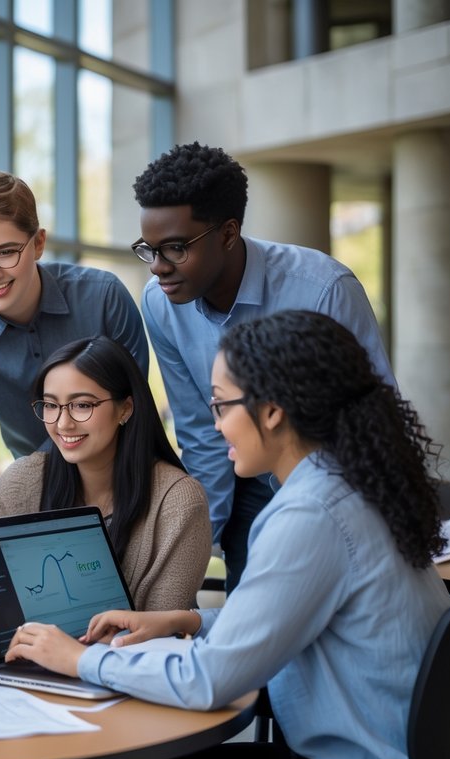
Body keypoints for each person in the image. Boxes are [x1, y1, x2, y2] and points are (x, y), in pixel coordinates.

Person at [5, 310, 450, 759]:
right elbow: (282, 618)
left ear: (273, 411)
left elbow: (210, 679)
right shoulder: (349, 487)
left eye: (220, 405)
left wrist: (79, 659)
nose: (215, 425)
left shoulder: (309, 516)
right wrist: (187, 622)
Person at [133, 142, 394, 591]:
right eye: (149, 249)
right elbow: (200, 429)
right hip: (246, 489)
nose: (158, 268)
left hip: (336, 490)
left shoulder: (323, 290)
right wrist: (198, 546)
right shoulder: (160, 305)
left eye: (175, 248)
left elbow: (375, 417)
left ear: (229, 233)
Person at [0, 336, 211, 759]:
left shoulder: (178, 499)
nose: (63, 423)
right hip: (33, 681)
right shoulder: (26, 479)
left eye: (82, 405)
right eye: (51, 405)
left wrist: (73, 652)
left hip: (134, 694)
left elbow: (154, 630)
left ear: (126, 408)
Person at [0, 171, 149, 521]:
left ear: (39, 243)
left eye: (5, 253)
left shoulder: (105, 298)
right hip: (37, 494)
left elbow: (135, 411)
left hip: (126, 486)